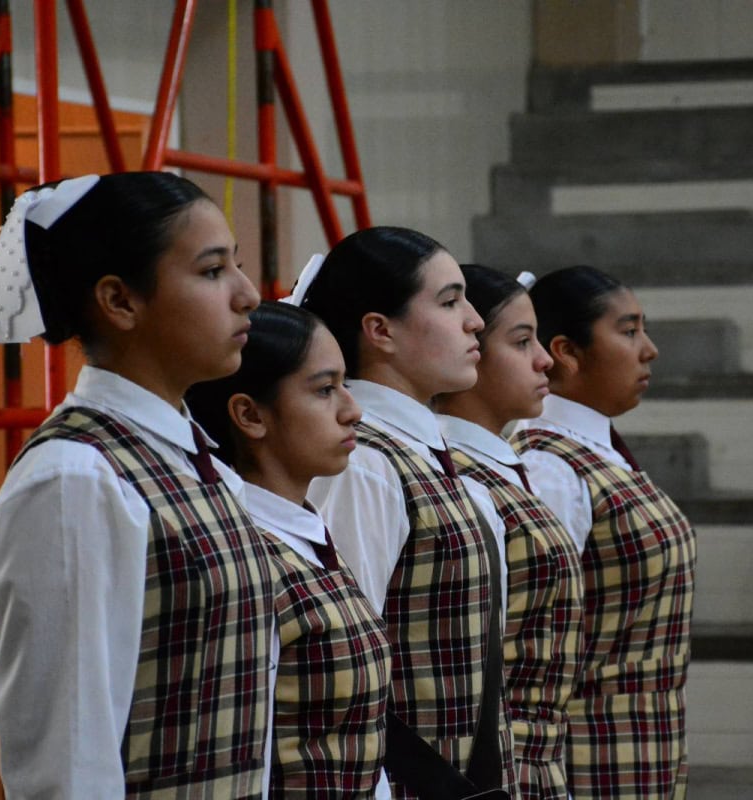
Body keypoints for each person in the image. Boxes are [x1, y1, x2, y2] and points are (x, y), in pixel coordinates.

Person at [0, 172, 275, 798]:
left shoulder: (195, 457)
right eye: (212, 270)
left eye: (238, 266)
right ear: (120, 301)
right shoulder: (75, 477)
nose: (249, 295)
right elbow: (66, 758)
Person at [296, 227, 519, 799]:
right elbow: (345, 662)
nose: (475, 321)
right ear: (380, 330)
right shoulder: (364, 461)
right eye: (449, 302)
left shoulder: (420, 452)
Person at [184, 301, 392, 798]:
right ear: (250, 415)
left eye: (344, 384)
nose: (353, 410)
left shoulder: (304, 533)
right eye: (324, 390)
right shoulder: (246, 555)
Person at [510, 266, 696, 800]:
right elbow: (530, 644)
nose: (649, 349)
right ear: (566, 351)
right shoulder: (548, 467)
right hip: (586, 758)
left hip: (645, 749)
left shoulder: (595, 448)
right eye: (629, 331)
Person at [433, 264, 585, 800]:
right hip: (493, 766)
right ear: (470, 348)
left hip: (539, 761)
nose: (545, 360)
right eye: (522, 342)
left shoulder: (499, 465)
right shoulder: (454, 477)